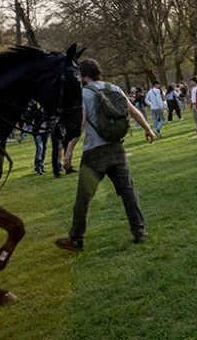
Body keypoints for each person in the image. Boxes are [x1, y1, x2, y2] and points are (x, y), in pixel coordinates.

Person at [55, 58, 156, 251]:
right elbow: (133, 111)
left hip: (94, 153)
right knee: (128, 193)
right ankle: (139, 231)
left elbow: (80, 126)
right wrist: (148, 129)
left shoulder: (83, 94)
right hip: (117, 149)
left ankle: (76, 238)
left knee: (83, 198)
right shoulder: (115, 89)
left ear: (83, 76)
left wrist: (68, 153)